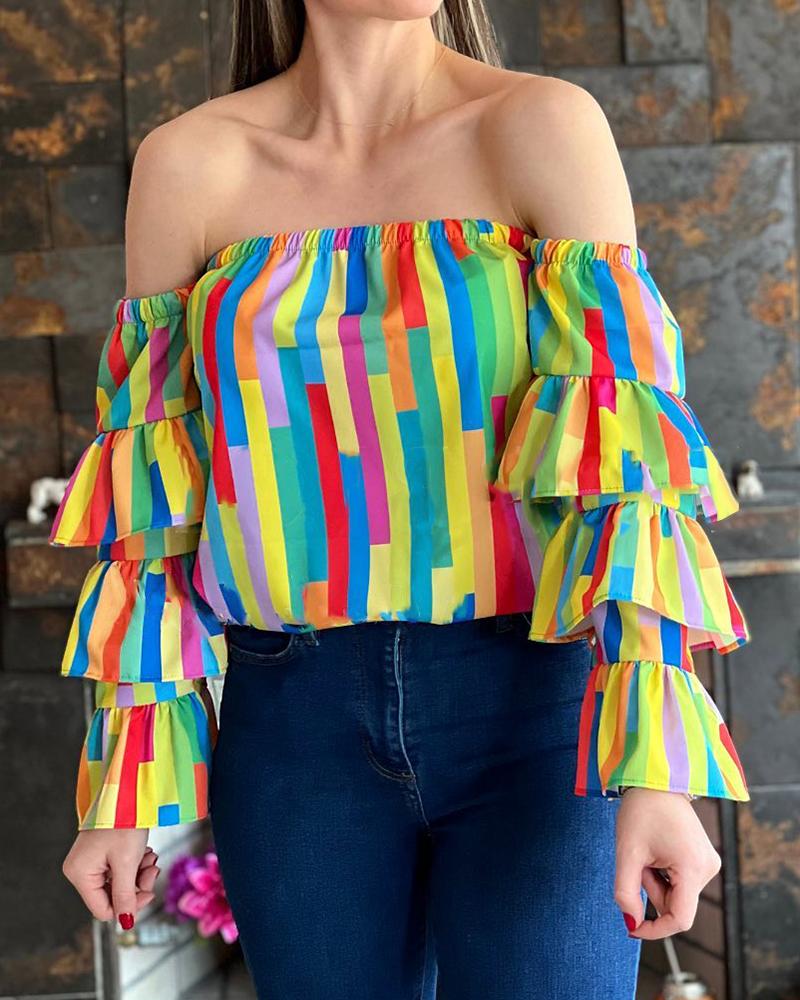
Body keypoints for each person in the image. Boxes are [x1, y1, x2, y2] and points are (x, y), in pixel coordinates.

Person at [51, 2, 751, 997]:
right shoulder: (187, 165)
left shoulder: (541, 127)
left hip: (537, 715)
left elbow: (625, 470)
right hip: (293, 731)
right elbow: (152, 505)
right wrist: (124, 791)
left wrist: (654, 771)